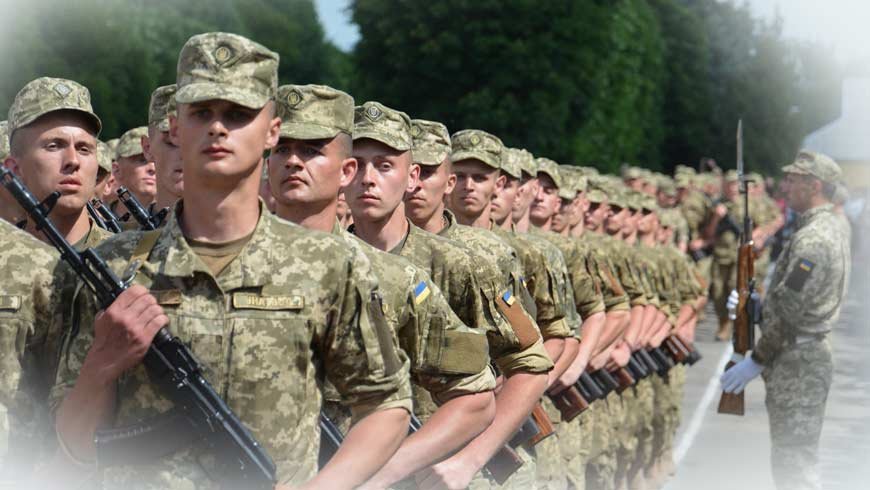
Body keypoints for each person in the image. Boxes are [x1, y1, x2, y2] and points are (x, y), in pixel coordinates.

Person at [51, 32, 412, 489]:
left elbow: (385, 405)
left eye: (238, 114)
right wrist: (102, 363)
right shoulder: (115, 266)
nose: (218, 128)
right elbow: (73, 443)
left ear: (272, 131)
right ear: (175, 129)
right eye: (202, 112)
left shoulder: (327, 264)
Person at [266, 84, 497, 488]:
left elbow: (476, 397)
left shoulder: (392, 279)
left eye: (312, 149)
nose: (294, 161)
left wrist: (381, 471)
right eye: (282, 149)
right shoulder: (209, 267)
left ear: (344, 170)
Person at [345, 102, 552, 489]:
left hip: (435, 471)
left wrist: (469, 460)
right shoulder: (325, 264)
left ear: (411, 176)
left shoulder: (462, 265)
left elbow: (529, 363)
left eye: (384, 165)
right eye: (356, 165)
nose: (367, 179)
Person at [721, 150, 850, 490]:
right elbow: (796, 298)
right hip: (799, 355)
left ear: (815, 186)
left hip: (798, 361)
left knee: (794, 465)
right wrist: (757, 307)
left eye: (793, 180)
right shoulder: (826, 226)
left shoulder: (814, 238)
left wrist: (756, 360)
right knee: (792, 459)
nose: (785, 185)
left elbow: (792, 308)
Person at [3, 77, 113, 249]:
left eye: (84, 149)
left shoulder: (134, 257)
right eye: (53, 146)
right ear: (14, 170)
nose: (73, 160)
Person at [142, 84, 184, 221]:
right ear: (147, 148)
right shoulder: (123, 234)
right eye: (171, 142)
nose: (184, 153)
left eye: (194, 140)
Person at [111, 126, 156, 219]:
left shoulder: (177, 221)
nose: (152, 168)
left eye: (156, 161)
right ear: (117, 170)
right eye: (142, 160)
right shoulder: (96, 221)